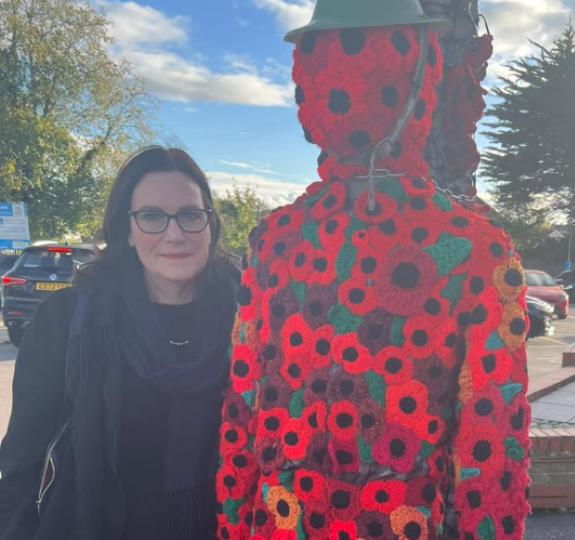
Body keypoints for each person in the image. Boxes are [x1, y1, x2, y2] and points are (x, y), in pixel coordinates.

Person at [215, 4, 532, 540]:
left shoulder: (274, 242)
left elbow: (242, 420)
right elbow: (493, 454)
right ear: (423, 74)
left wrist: (230, 525)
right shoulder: (477, 250)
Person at [0, 146, 239, 540]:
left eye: (191, 215)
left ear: (210, 224)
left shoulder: (251, 319)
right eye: (151, 217)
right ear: (125, 230)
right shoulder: (68, 318)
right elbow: (24, 455)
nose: (175, 234)